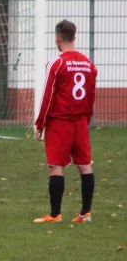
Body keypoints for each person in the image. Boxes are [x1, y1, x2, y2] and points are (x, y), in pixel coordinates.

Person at [33, 20, 97, 224]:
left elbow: (47, 96)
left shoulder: (56, 63)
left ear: (57, 38)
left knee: (55, 166)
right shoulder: (88, 63)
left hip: (59, 122)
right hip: (80, 121)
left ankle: (55, 215)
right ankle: (85, 213)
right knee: (85, 166)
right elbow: (91, 95)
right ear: (75, 37)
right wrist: (85, 119)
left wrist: (40, 123)